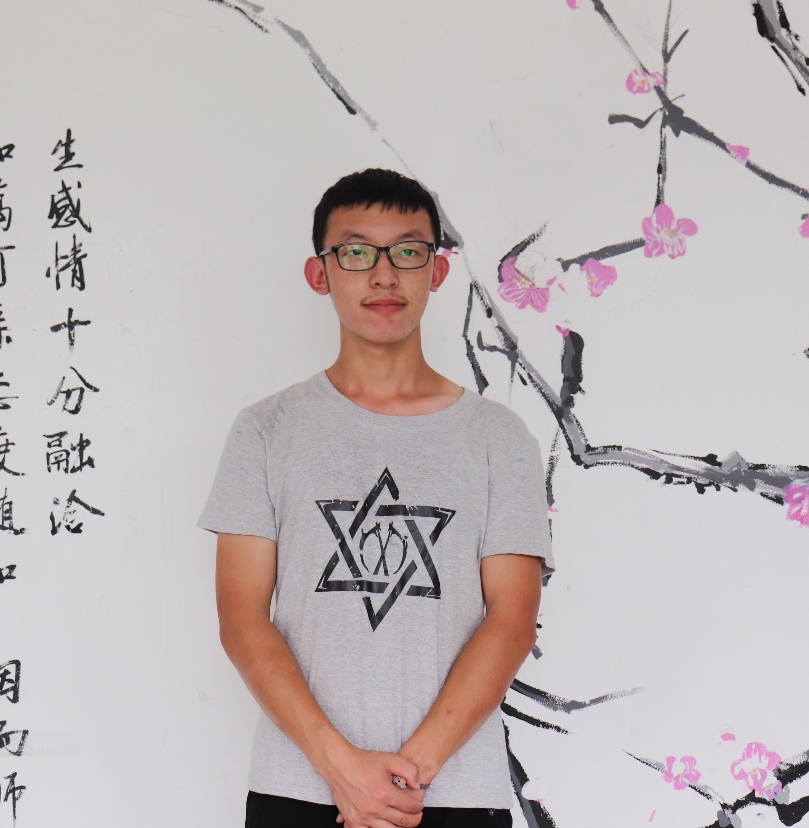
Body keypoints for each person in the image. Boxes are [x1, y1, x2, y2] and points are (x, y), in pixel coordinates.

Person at [199, 168, 553, 828]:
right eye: (357, 252)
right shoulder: (265, 430)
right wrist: (341, 769)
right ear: (320, 273)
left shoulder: (497, 438)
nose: (384, 275)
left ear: (437, 271)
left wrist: (403, 775)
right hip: (299, 788)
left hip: (452, 792)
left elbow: (512, 621)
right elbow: (241, 618)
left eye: (408, 251)